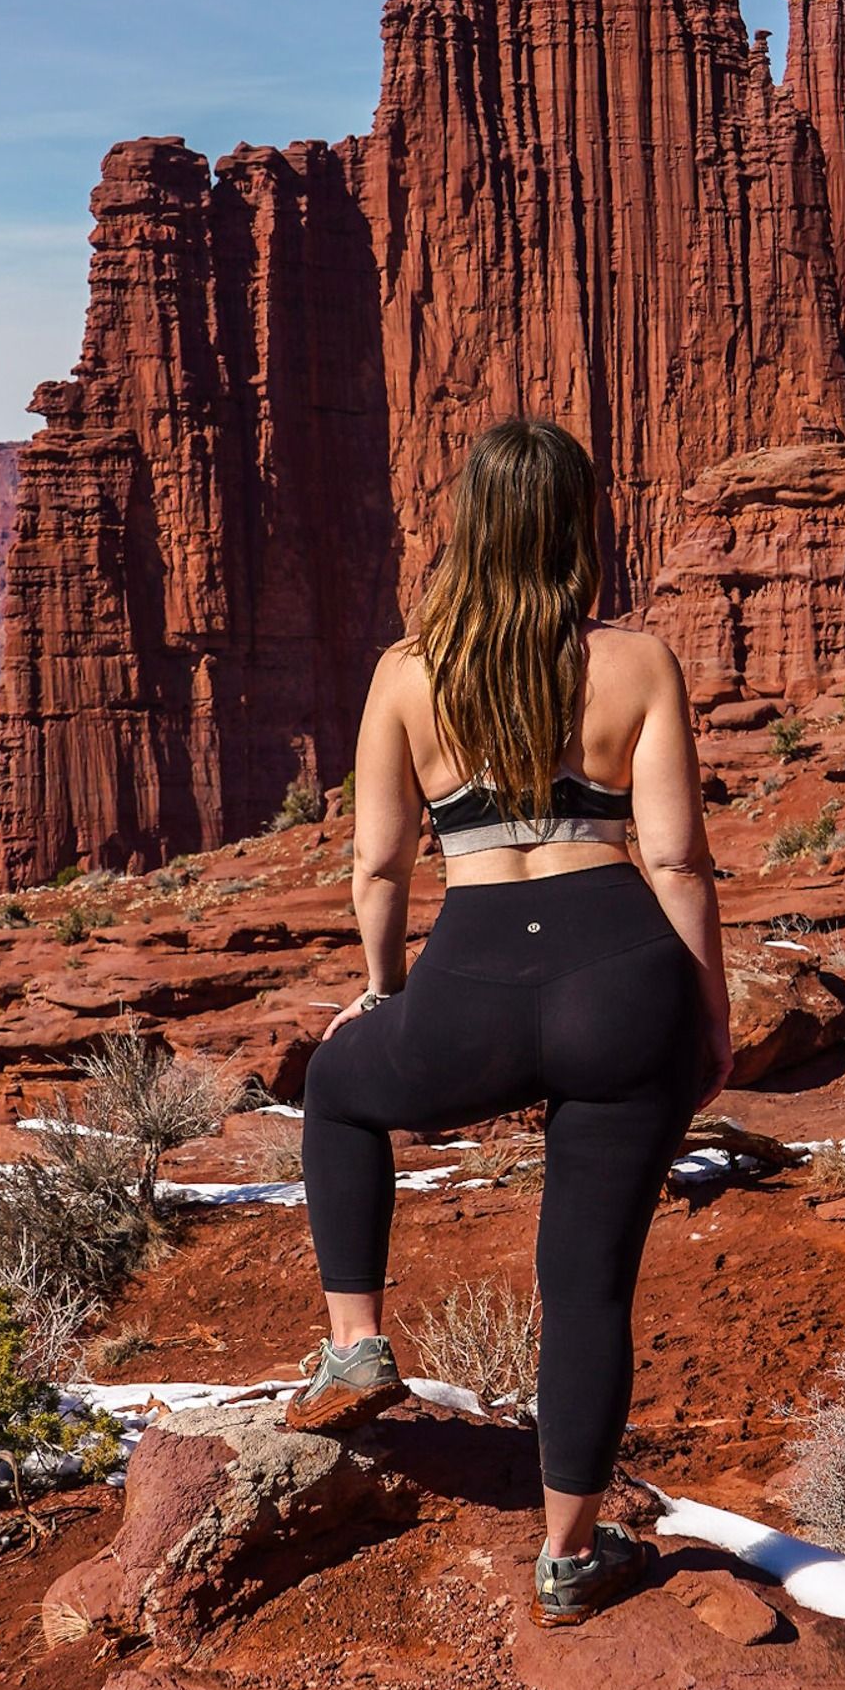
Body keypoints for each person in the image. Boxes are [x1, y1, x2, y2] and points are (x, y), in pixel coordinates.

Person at [287, 417, 731, 1628]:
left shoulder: (406, 672)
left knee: (337, 1085)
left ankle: (355, 1343)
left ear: (468, 525)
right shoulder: (638, 662)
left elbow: (379, 866)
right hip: (624, 980)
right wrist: (708, 1013)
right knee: (585, 1286)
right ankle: (568, 1557)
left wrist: (384, 991)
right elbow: (676, 860)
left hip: (467, 988)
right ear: (575, 522)